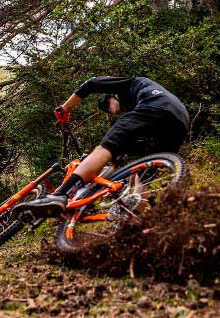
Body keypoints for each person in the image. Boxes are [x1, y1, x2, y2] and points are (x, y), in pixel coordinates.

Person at [13, 76, 190, 218]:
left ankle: (61, 194)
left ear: (114, 96)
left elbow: (91, 83)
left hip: (157, 107)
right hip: (180, 123)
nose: (112, 112)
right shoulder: (140, 100)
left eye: (108, 106)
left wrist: (65, 108)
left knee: (104, 150)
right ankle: (136, 216)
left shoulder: (130, 83)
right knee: (144, 170)